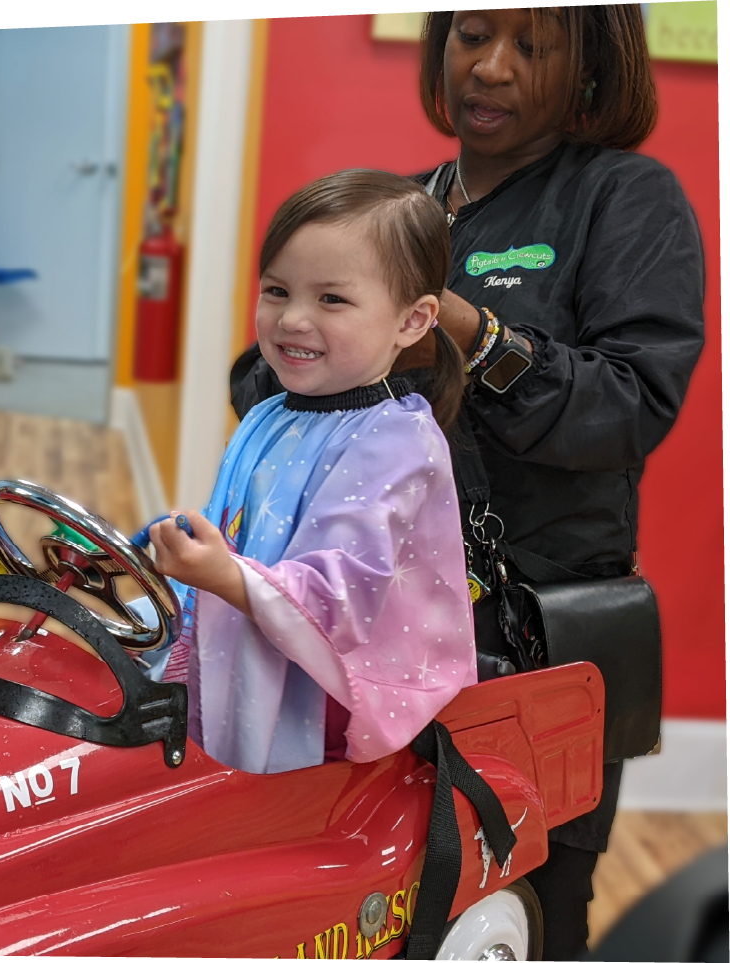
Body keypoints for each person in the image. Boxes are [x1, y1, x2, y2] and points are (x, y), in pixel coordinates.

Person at [230, 6, 705, 960]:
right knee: (363, 904)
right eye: (471, 35)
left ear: (589, 68)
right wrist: (322, 338)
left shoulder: (625, 199)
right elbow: (263, 379)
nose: (488, 68)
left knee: (521, 913)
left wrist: (464, 330)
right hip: (368, 640)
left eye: (531, 47)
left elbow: (627, 403)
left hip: (532, 647)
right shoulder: (393, 209)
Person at [147, 169, 478, 776]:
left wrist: (225, 575)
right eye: (277, 291)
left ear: (413, 321)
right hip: (241, 657)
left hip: (318, 716)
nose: (293, 319)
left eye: (331, 299)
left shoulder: (397, 440)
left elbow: (344, 599)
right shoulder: (270, 412)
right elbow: (241, 528)